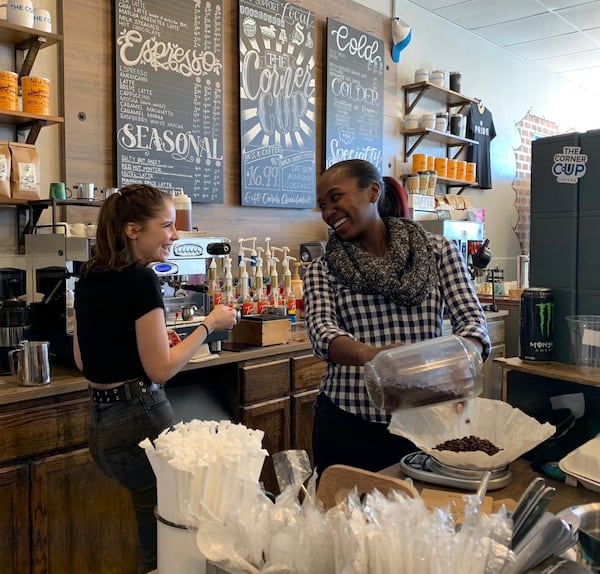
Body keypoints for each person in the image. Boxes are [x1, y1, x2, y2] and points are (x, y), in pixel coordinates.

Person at [73, 183, 237, 573]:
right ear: (133, 230)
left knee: (152, 516)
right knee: (167, 530)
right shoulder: (141, 280)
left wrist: (146, 343)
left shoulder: (88, 277)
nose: (175, 235)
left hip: (101, 423)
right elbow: (160, 370)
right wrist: (209, 326)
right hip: (139, 415)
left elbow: (84, 359)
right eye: (166, 225)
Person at [304, 159, 491, 475]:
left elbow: (472, 320)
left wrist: (459, 365)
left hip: (424, 422)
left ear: (373, 191)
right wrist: (376, 358)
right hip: (348, 424)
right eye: (322, 205)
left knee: (422, 515)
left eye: (335, 198)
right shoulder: (322, 269)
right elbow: (323, 334)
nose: (328, 212)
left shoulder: (438, 252)